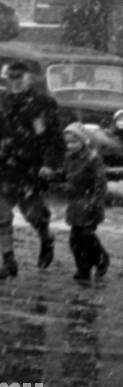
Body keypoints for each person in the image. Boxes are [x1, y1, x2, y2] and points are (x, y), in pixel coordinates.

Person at [0, 60, 65, 278]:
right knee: (1, 216)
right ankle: (9, 262)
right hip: (5, 167)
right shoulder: (3, 101)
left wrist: (48, 164)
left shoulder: (42, 103)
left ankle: (45, 237)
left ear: (30, 78)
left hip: (30, 169)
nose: (15, 82)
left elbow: (54, 139)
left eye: (20, 77)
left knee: (34, 214)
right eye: (11, 77)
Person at [62, 123, 109, 284]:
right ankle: (83, 268)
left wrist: (95, 202)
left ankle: (99, 259)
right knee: (76, 240)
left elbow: (100, 182)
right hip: (75, 204)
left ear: (83, 141)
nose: (71, 146)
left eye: (74, 142)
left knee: (86, 236)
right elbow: (65, 175)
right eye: (68, 143)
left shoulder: (92, 159)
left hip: (89, 204)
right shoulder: (68, 158)